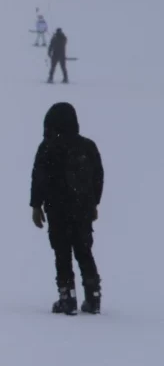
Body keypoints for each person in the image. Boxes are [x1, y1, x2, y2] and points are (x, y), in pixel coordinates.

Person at [30, 102, 104, 315]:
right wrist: (94, 204)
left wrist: (36, 205)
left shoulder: (47, 146)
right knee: (84, 251)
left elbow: (39, 178)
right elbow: (98, 177)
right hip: (83, 209)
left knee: (62, 253)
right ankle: (93, 296)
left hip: (57, 208)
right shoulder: (88, 146)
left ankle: (67, 296)